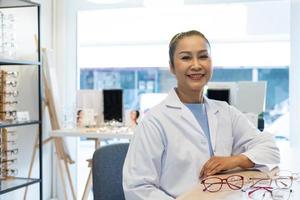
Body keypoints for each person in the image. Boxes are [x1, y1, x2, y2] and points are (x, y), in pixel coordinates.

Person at [122, 30, 280, 199]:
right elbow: (137, 188)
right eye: (186, 57)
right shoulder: (155, 121)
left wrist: (235, 160)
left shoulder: (225, 112)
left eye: (203, 56)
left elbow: (271, 149)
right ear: (172, 67)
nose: (196, 65)